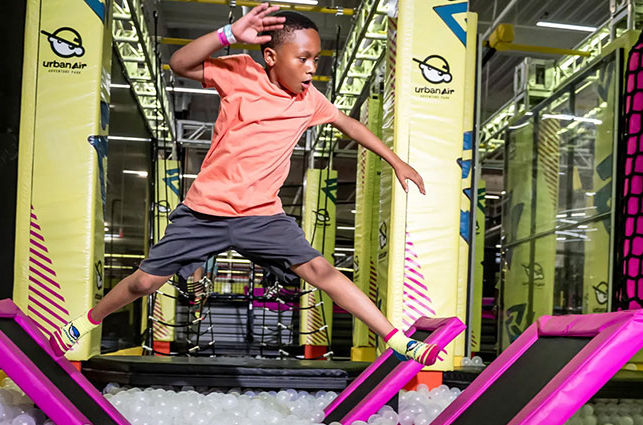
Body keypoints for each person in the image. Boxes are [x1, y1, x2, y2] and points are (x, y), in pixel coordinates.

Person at [50, 4, 443, 365]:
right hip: (205, 212)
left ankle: (398, 340)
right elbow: (179, 62)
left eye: (316, 60)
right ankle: (81, 324)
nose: (311, 69)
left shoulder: (310, 100)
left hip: (262, 217)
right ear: (271, 57)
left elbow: (350, 124)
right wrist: (227, 35)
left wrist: (396, 161)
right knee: (143, 282)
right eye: (302, 59)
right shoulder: (240, 73)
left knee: (322, 271)